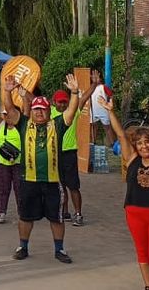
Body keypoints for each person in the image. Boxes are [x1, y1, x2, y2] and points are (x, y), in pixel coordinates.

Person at [102, 92, 149, 290]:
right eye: (140, 143)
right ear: (135, 146)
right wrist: (111, 112)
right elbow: (120, 135)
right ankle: (148, 287)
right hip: (134, 212)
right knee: (142, 253)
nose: (144, 146)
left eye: (147, 142)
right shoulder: (132, 159)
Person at [2, 73, 81, 264]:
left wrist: (75, 92)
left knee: (57, 218)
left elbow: (71, 110)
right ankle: (23, 246)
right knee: (25, 216)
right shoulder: (23, 124)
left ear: (48, 111)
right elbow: (9, 109)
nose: (38, 112)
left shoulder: (58, 125)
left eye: (42, 109)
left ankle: (59, 249)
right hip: (28, 180)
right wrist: (6, 91)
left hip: (54, 181)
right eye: (36, 109)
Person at [0, 81, 22, 224]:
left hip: (18, 162)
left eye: (9, 113)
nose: (6, 116)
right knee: (4, 188)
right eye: (4, 114)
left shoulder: (21, 125)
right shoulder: (0, 124)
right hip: (2, 163)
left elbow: (25, 110)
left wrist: (22, 95)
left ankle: (23, 213)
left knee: (19, 189)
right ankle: (1, 212)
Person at [53, 89, 84, 225]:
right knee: (60, 186)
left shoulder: (72, 112)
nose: (62, 105)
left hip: (69, 153)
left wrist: (94, 84)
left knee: (73, 186)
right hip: (55, 153)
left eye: (65, 102)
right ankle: (64, 212)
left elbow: (82, 100)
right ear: (54, 102)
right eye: (60, 102)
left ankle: (78, 214)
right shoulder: (50, 113)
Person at [87, 68, 116, 147]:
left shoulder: (103, 87)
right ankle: (93, 143)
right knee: (93, 127)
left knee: (107, 127)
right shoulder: (90, 88)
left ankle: (113, 143)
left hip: (103, 110)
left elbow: (110, 95)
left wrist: (110, 103)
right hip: (93, 110)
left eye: (97, 77)